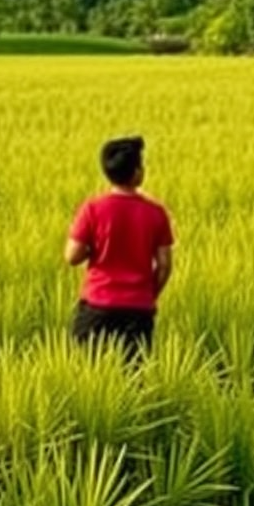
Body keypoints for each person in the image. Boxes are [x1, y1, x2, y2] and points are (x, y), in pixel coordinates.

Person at [64, 136, 174, 356]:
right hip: (138, 311)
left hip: (97, 306)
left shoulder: (92, 209)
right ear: (137, 173)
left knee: (86, 367)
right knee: (133, 371)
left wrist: (94, 249)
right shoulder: (156, 213)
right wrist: (148, 294)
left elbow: (72, 256)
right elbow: (164, 265)